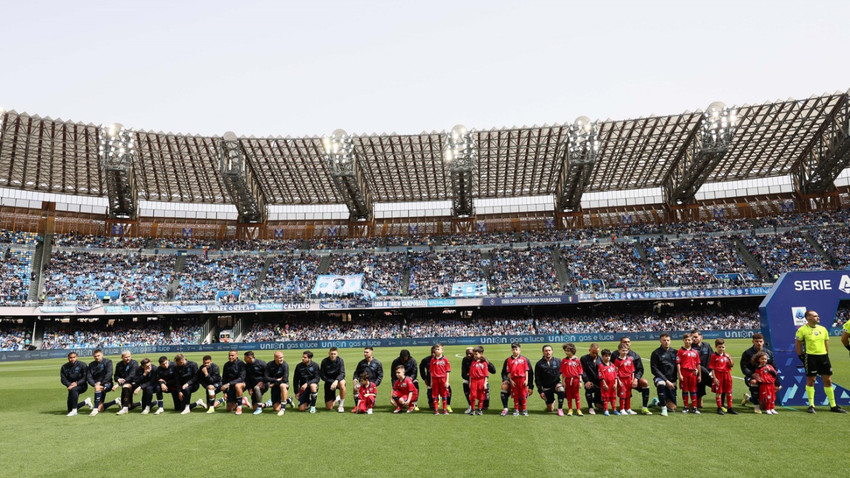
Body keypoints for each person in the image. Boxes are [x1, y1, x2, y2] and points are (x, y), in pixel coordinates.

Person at [795, 309, 846, 413]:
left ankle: (833, 405)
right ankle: (811, 405)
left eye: (817, 316)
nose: (817, 317)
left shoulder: (823, 329)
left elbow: (826, 342)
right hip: (810, 357)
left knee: (828, 380)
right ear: (808, 318)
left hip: (823, 358)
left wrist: (826, 355)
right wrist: (800, 356)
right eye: (814, 316)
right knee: (811, 381)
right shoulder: (802, 330)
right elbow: (798, 343)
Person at [740, 332, 777, 412]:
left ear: (763, 342)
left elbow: (774, 367)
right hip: (752, 377)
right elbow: (744, 368)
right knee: (754, 383)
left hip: (766, 378)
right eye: (757, 341)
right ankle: (756, 406)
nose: (759, 343)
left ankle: (748, 398)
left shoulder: (768, 353)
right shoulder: (747, 353)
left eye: (760, 341)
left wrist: (777, 382)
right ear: (753, 341)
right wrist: (752, 375)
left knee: (764, 406)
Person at [617, 337, 652, 415]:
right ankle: (604, 403)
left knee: (645, 383)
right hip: (619, 380)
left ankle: (644, 407)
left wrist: (636, 379)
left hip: (631, 379)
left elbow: (640, 369)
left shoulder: (635, 356)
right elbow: (612, 368)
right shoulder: (615, 355)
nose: (627, 343)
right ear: (620, 343)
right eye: (625, 342)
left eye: (628, 342)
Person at [500, 342, 534, 416]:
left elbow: (529, 373)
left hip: (522, 381)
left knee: (523, 396)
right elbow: (504, 372)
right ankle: (506, 408)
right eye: (513, 349)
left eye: (516, 349)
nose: (515, 351)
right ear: (511, 350)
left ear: (520, 350)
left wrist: (530, 386)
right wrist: (506, 380)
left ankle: (523, 409)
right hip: (512, 380)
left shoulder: (525, 359)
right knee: (505, 387)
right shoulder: (508, 360)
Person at [650, 332, 678, 417]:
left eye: (668, 340)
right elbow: (654, 369)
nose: (666, 342)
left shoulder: (675, 352)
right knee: (661, 384)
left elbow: (680, 366)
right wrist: (666, 381)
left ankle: (656, 402)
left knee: (673, 408)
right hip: (660, 379)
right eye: (664, 340)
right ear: (660, 341)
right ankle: (663, 408)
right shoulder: (655, 353)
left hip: (672, 381)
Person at [709, 339, 737, 415]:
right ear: (716, 347)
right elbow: (712, 368)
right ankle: (719, 408)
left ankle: (730, 407)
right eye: (719, 347)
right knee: (719, 392)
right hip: (718, 375)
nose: (721, 349)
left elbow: (731, 365)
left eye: (723, 347)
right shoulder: (714, 356)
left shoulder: (727, 355)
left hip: (727, 375)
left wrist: (729, 358)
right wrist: (714, 378)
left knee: (729, 392)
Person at [534, 344, 564, 415]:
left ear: (552, 351)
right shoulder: (539, 364)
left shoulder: (558, 361)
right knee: (550, 409)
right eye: (546, 351)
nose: (548, 352)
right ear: (543, 352)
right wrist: (540, 391)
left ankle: (560, 409)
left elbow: (564, 373)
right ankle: (552, 401)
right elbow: (537, 379)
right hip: (546, 387)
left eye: (549, 350)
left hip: (556, 385)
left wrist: (564, 383)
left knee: (561, 389)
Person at [60, 352, 92, 416]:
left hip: (82, 385)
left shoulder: (82, 365)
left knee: (74, 389)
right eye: (70, 358)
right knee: (69, 410)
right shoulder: (64, 367)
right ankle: (85, 402)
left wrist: (77, 383)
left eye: (74, 357)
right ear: (68, 358)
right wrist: (70, 385)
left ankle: (74, 410)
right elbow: (63, 379)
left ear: (76, 357)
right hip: (70, 386)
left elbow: (85, 377)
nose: (72, 359)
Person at [676, 333, 701, 414]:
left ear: (692, 341)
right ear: (683, 340)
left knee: (693, 390)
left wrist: (699, 375)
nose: (687, 341)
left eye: (689, 340)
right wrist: (679, 374)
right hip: (684, 372)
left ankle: (694, 407)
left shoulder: (695, 352)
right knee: (685, 390)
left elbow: (698, 364)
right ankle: (686, 407)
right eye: (686, 340)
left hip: (693, 373)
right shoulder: (680, 351)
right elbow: (678, 363)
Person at [469, 346, 496, 415]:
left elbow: (486, 374)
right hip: (474, 381)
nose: (474, 356)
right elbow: (471, 373)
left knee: (481, 396)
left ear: (481, 353)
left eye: (476, 354)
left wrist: (485, 383)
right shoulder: (473, 362)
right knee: (473, 395)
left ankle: (480, 409)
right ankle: (472, 409)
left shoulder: (484, 363)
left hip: (481, 381)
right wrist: (470, 381)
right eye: (474, 354)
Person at [690, 330, 714, 409]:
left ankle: (722, 405)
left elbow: (713, 359)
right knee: (699, 406)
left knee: (720, 386)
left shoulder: (707, 346)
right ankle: (695, 402)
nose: (694, 339)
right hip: (697, 376)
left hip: (709, 375)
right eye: (692, 337)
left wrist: (712, 371)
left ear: (701, 337)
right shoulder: (690, 348)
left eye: (696, 337)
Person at [86, 349, 113, 416]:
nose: (97, 357)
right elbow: (89, 377)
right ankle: (115, 401)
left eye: (98, 355)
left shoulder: (108, 362)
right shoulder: (91, 364)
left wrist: (101, 383)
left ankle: (94, 409)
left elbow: (109, 374)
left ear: (102, 355)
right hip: (97, 385)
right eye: (95, 356)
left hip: (107, 383)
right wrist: (94, 384)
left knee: (98, 388)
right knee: (100, 409)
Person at [220, 350, 247, 415]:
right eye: (229, 355)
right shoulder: (226, 365)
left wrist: (229, 384)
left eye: (232, 355)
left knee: (237, 386)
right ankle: (243, 401)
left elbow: (241, 378)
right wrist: (225, 392)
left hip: (241, 385)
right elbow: (224, 379)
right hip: (231, 387)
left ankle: (239, 407)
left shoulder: (241, 364)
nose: (230, 357)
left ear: (237, 355)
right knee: (229, 409)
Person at [560, 343, 584, 417]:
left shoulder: (577, 360)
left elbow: (580, 371)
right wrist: (563, 381)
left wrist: (580, 381)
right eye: (565, 351)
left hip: (575, 380)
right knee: (569, 395)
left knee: (576, 394)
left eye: (568, 351)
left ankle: (578, 409)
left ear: (572, 351)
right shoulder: (564, 360)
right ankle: (570, 409)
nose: (567, 352)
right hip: (567, 380)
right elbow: (563, 372)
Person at [264, 351, 291, 416]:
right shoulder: (270, 365)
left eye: (282, 357)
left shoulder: (285, 365)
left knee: (283, 385)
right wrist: (276, 379)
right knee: (276, 408)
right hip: (275, 387)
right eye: (279, 358)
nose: (281, 359)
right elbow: (266, 377)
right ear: (275, 358)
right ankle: (289, 400)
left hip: (282, 384)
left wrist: (274, 383)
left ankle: (283, 409)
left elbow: (285, 379)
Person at [320, 347, 346, 412]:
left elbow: (342, 373)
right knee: (329, 408)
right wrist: (332, 382)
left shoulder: (340, 361)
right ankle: (337, 399)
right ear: (329, 353)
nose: (333, 355)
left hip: (338, 381)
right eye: (331, 354)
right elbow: (322, 376)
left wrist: (336, 381)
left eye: (334, 354)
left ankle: (341, 406)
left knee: (342, 383)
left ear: (337, 354)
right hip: (328, 382)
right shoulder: (324, 361)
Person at [579, 343, 602, 414]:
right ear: (589, 350)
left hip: (599, 382)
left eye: (596, 353)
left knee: (600, 407)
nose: (595, 354)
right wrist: (586, 381)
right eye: (593, 352)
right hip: (589, 380)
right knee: (588, 388)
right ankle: (590, 407)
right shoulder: (584, 359)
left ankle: (596, 401)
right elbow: (582, 371)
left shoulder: (601, 359)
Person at [614, 343, 636, 415]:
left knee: (628, 394)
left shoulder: (629, 359)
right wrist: (618, 381)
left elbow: (632, 370)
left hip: (629, 379)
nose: (625, 352)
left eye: (626, 350)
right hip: (622, 379)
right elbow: (615, 372)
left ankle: (628, 408)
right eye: (623, 351)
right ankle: (622, 409)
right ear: (619, 351)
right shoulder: (617, 361)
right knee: (622, 394)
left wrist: (632, 379)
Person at [430, 343, 451, 415]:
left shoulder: (445, 359)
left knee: (444, 394)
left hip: (443, 379)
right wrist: (431, 381)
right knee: (435, 394)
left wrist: (447, 381)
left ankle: (444, 409)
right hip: (435, 379)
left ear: (442, 350)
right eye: (435, 349)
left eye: (438, 349)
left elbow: (448, 371)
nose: (436, 351)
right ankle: (436, 410)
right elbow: (431, 371)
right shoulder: (432, 360)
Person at [598, 349, 618, 416]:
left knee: (613, 397)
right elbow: (601, 376)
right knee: (606, 397)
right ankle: (606, 410)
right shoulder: (601, 365)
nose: (608, 357)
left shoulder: (612, 365)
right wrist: (604, 384)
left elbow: (615, 375)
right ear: (602, 357)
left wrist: (616, 383)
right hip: (605, 384)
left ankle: (614, 410)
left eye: (609, 356)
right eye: (606, 356)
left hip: (612, 384)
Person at [460, 347, 475, 414]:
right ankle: (470, 405)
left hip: (479, 379)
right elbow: (463, 374)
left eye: (470, 353)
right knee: (465, 383)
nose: (468, 355)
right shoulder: (465, 360)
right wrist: (470, 379)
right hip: (469, 378)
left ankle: (482, 405)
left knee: (485, 405)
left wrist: (487, 361)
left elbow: (493, 371)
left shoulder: (479, 359)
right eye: (467, 353)